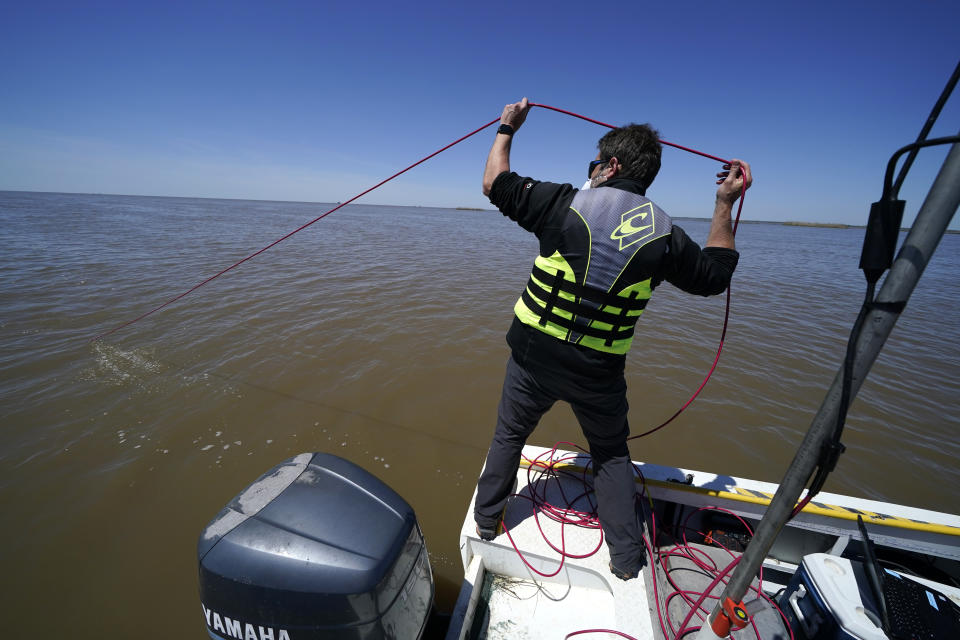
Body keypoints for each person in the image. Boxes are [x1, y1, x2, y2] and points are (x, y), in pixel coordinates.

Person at [473, 97, 752, 580]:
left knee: (509, 435)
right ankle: (625, 562)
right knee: (610, 454)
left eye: (595, 164)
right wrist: (725, 203)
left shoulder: (561, 203)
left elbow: (493, 182)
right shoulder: (665, 236)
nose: (591, 172)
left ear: (612, 165)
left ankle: (486, 525)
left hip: (532, 359)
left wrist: (506, 128)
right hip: (597, 374)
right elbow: (714, 276)